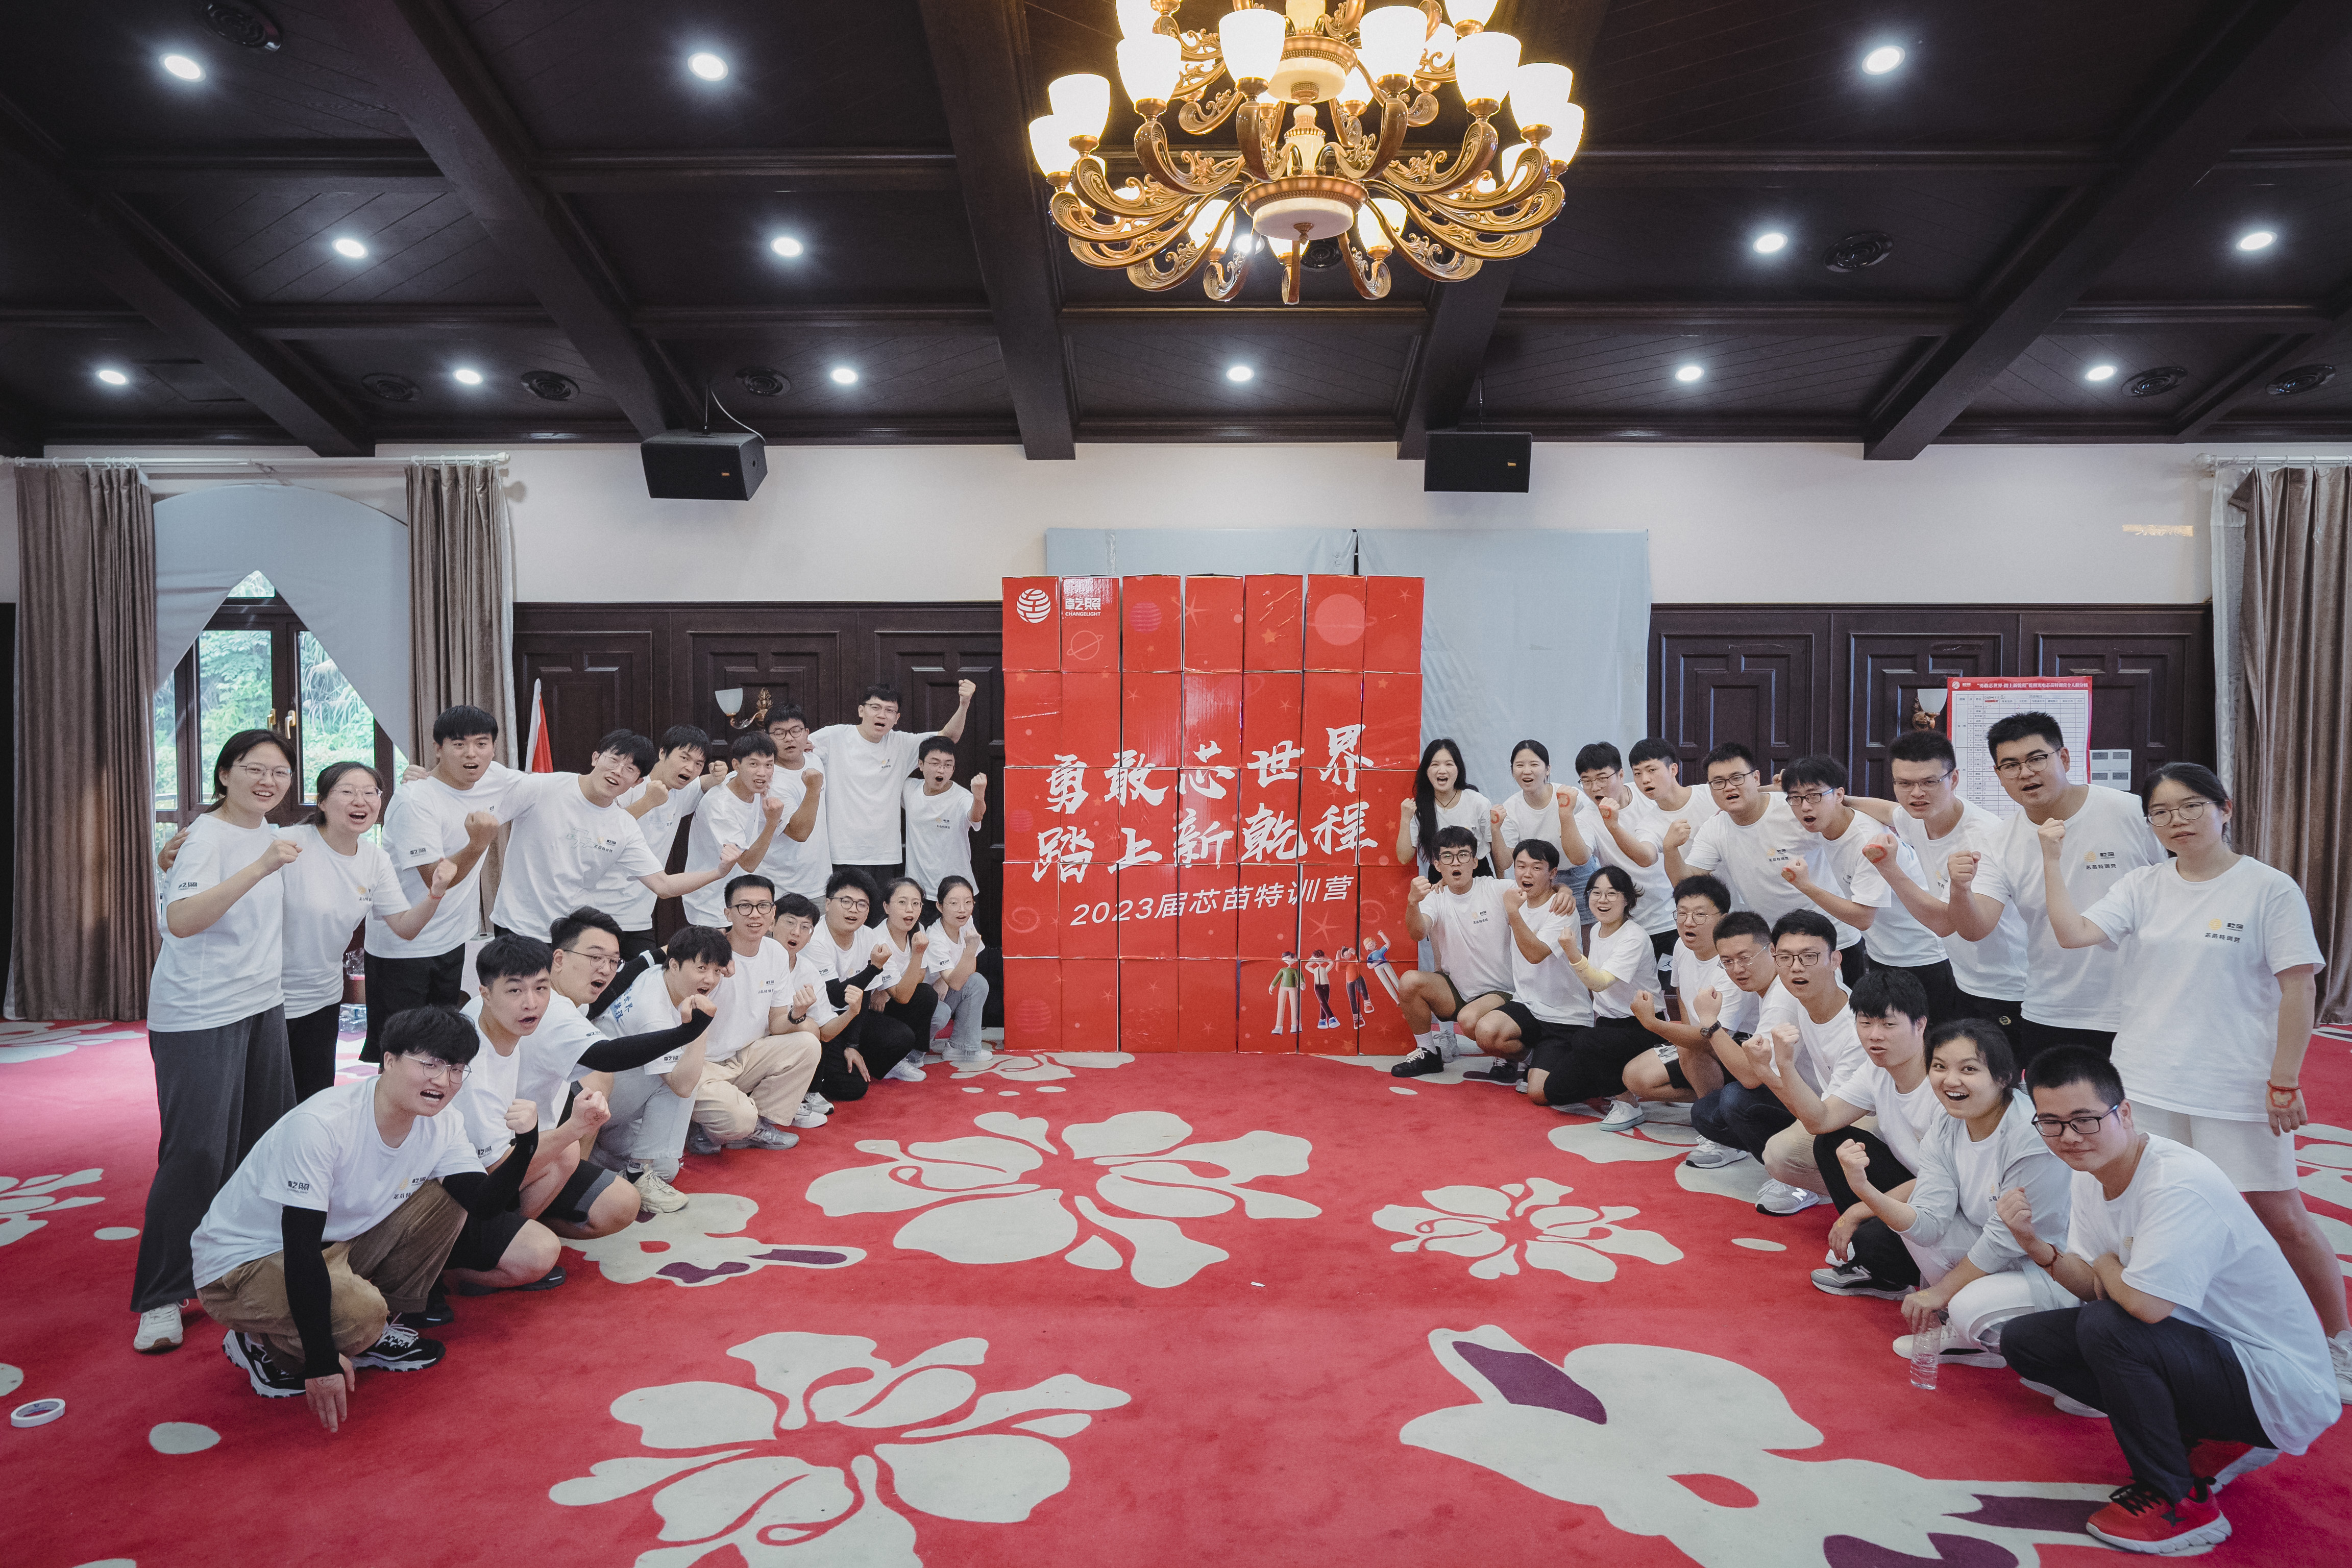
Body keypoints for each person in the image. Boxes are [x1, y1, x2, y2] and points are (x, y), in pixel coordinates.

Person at [2033, 761, 2348, 1382]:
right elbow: (2072, 933)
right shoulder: (2143, 885)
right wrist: (2051, 858)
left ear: (2224, 809)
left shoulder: (2268, 889)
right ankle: (2159, 1338)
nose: (2176, 821)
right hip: (2147, 1082)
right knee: (2149, 1211)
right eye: (2161, 812)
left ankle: (2339, 1340)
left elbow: (2299, 988)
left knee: (2279, 1215)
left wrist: (2285, 1078)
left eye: (2191, 806)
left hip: (2233, 1085)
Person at [1997, 1048, 2341, 1554]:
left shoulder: (2177, 1183)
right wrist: (2035, 1246)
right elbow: (2092, 1285)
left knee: (2108, 1327)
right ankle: (2206, 1440)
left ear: (2125, 1113)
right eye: (2051, 1123)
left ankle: (2180, 1501)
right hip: (2207, 1351)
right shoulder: (2092, 1173)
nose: (2069, 1137)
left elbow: (2143, 1307)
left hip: (2278, 1384)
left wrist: (2108, 1267)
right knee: (2026, 1340)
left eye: (2085, 1120)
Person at [190, 1007, 531, 1425]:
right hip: (242, 1264)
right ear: (389, 1060)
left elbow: (483, 1204)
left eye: (457, 1069)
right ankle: (262, 1344)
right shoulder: (322, 1125)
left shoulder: (444, 1124)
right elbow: (299, 1247)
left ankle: (369, 1333)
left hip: (332, 1245)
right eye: (431, 1064)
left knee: (446, 1199)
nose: (444, 1081)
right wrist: (320, 1361)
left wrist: (527, 1145)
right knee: (361, 1316)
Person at [135, 730, 306, 1354]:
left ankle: (238, 1263)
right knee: (198, 1154)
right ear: (225, 774)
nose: (268, 781)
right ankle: (161, 1294)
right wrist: (260, 867)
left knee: (264, 1140)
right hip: (199, 1013)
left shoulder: (270, 833)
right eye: (254, 769)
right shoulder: (207, 837)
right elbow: (180, 921)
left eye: (280, 772)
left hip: (261, 1004)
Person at [1828, 1020, 2075, 1376]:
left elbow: (2006, 1239)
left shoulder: (2030, 1135)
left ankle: (2050, 1342)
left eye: (1969, 1069)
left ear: (2003, 1077)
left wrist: (1941, 1293)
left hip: (2053, 1266)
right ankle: (1968, 1333)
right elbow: (1928, 1223)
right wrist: (1863, 1189)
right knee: (1910, 1219)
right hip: (1996, 1245)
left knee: (1967, 1307)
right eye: (1940, 1067)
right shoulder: (1946, 1125)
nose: (1951, 1080)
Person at [1944, 712, 2164, 1065]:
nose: (2025, 773)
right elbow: (1975, 929)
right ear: (1999, 775)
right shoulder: (1998, 841)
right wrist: (1960, 889)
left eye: (2036, 759)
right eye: (2011, 766)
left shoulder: (2131, 812)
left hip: (2138, 1006)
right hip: (2050, 1010)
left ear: (2063, 758)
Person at [1739, 970, 1941, 1298]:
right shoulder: (1875, 1070)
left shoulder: (1943, 1083)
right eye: (1866, 1023)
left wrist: (1856, 1213)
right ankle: (1883, 1272)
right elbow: (1820, 1120)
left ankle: (1903, 1269)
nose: (1875, 1036)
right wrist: (1781, 1066)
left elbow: (1945, 1178)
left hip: (1951, 1198)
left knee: (1868, 1239)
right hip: (1916, 1182)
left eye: (1889, 1025)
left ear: (1920, 1025)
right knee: (1832, 1142)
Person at [442, 935, 621, 1297]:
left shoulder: (512, 1023)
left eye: (541, 988)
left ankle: (514, 1232)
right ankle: (443, 1272)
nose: (531, 1002)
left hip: (501, 1164)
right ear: (485, 993)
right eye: (515, 991)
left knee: (617, 1204)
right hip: (453, 1191)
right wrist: (575, 1128)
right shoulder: (472, 1066)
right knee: (539, 1254)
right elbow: (492, 1172)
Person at [490, 730, 756, 942]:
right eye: (614, 760)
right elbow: (488, 797)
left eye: (630, 769)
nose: (618, 771)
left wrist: (719, 872)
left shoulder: (629, 822)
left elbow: (663, 885)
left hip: (589, 926)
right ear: (596, 758)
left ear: (637, 779)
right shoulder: (545, 787)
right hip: (529, 923)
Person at [361, 705, 513, 1063]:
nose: (472, 754)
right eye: (459, 744)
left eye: (482, 744)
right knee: (401, 1056)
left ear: (494, 749)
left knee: (441, 1048)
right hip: (402, 948)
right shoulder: (415, 799)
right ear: (438, 748)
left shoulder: (496, 781)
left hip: (451, 940)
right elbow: (436, 879)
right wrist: (477, 844)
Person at [1866, 731, 2029, 1046]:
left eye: (1929, 782)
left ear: (1954, 779)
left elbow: (1945, 923)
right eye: (1904, 783)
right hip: (1962, 977)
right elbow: (1887, 811)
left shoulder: (1984, 837)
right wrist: (1839, 798)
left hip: (2008, 986)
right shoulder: (1918, 816)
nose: (1916, 793)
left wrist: (1888, 868)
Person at [1664, 742, 1865, 985]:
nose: (1729, 787)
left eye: (1737, 778)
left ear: (1756, 778)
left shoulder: (1794, 807)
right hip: (1778, 945)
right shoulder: (1715, 828)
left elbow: (1842, 823)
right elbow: (1688, 886)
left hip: (1833, 938)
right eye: (1718, 782)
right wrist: (1670, 850)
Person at [1775, 754, 1957, 1020]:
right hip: (1881, 952)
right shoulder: (1826, 824)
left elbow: (1863, 918)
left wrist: (1805, 886)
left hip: (1923, 955)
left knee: (1926, 1038)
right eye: (1795, 798)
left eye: (1814, 796)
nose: (1805, 806)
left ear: (1839, 795)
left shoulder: (1867, 840)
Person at [583, 926, 729, 1213]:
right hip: (596, 1095)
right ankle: (636, 1173)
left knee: (666, 1168)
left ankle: (600, 1158)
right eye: (701, 968)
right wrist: (701, 1027)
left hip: (615, 1094)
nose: (710, 980)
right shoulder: (653, 1013)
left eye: (717, 971)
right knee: (682, 1076)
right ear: (674, 965)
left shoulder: (655, 974)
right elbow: (683, 1087)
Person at [679, 874, 825, 1156]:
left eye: (763, 906)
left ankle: (756, 1125)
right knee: (738, 1119)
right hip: (701, 1064)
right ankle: (706, 1120)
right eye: (745, 906)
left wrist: (798, 1015)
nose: (755, 914)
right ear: (728, 913)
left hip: (744, 1058)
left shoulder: (775, 953)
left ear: (773, 912)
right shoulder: (708, 952)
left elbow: (777, 1024)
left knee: (808, 1043)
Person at [1743, 910, 1868, 1217]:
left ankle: (1879, 1205)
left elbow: (1823, 1121)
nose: (1796, 967)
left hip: (1873, 1119)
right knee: (1745, 1112)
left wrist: (1770, 1069)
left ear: (1835, 960)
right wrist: (1765, 1068)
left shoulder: (1857, 1029)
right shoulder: (1802, 1001)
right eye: (1785, 958)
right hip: (1831, 1108)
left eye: (1810, 956)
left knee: (1783, 1153)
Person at [1525, 866, 1660, 1121]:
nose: (1602, 900)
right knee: (1552, 1091)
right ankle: (1620, 1079)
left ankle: (1627, 1102)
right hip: (1607, 1028)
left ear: (1628, 900)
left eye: (1612, 894)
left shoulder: (1634, 937)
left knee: (1585, 1039)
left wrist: (1572, 952)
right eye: (1596, 893)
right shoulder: (1597, 930)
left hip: (1642, 1026)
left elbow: (1600, 983)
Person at [811, 679, 976, 885]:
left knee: (883, 907)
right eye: (875, 708)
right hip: (842, 852)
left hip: (886, 855)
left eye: (890, 710)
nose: (882, 715)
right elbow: (796, 749)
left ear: (897, 718)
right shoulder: (834, 737)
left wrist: (964, 703)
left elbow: (948, 738)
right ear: (861, 711)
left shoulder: (901, 744)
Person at [1622, 875, 1753, 1120]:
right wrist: (1685, 1036)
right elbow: (1681, 995)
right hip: (1704, 1038)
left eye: (1700, 915)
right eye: (1681, 913)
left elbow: (1712, 1039)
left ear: (1723, 919)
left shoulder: (1732, 965)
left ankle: (1717, 1122)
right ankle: (1716, 1097)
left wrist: (1652, 1023)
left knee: (1691, 1047)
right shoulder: (1682, 947)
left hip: (1742, 1044)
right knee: (1635, 1076)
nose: (1688, 922)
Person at [1464, 840, 1590, 1090]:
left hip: (1564, 1016)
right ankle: (1532, 1060)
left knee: (1538, 1092)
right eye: (1521, 866)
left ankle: (1562, 1061)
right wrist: (1439, 886)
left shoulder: (1561, 909)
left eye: (1536, 868)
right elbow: (1466, 887)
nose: (1527, 874)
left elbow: (1535, 954)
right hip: (1528, 1004)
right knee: (1486, 1031)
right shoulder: (1514, 894)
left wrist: (1514, 913)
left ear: (1552, 873)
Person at [1391, 826, 1515, 1077]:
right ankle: (1428, 1053)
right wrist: (1412, 902)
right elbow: (1418, 932)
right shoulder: (1435, 898)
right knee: (1410, 981)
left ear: (1475, 861)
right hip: (1457, 991)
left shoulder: (1497, 888)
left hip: (1502, 992)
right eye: (1447, 856)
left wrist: (1564, 891)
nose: (1456, 862)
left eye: (1463, 855)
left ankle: (1509, 1057)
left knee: (1472, 1021)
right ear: (1438, 865)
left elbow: (1539, 892)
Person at [802, 870, 919, 1101]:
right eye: (846, 902)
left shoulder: (868, 937)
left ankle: (854, 1058)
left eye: (862, 904)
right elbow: (835, 996)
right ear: (828, 904)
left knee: (902, 1037)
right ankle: (815, 1079)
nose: (853, 910)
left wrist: (853, 1044)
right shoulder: (815, 940)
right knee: (852, 1089)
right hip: (820, 1021)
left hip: (850, 1016)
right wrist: (874, 968)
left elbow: (864, 996)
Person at [605, 726, 718, 962]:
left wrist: (719, 775)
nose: (690, 768)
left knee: (645, 979)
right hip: (600, 912)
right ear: (663, 753)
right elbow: (605, 831)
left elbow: (706, 783)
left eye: (699, 763)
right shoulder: (631, 785)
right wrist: (648, 802)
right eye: (684, 758)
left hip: (638, 917)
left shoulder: (682, 791)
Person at [1683, 911, 1782, 1171]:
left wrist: (1709, 1021)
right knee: (1707, 1111)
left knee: (1734, 1100)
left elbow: (1751, 1077)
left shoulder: (1782, 996)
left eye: (1745, 958)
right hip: (1799, 1087)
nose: (1737, 969)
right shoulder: (1771, 988)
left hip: (1824, 1098)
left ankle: (1792, 1172)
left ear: (1772, 950)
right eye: (1727, 961)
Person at [1575, 742, 1677, 981]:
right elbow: (1579, 857)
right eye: (1586, 781)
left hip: (1668, 916)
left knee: (1672, 990)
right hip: (1627, 922)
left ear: (1621, 775)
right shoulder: (1586, 818)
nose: (1595, 787)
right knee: (1629, 992)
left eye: (1602, 778)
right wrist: (1565, 816)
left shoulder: (1649, 797)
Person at [678, 732, 792, 927]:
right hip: (711, 907)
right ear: (737, 765)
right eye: (754, 764)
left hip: (740, 903)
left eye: (769, 765)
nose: (763, 773)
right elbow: (748, 863)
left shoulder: (749, 783)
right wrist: (772, 823)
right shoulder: (720, 806)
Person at [1493, 740, 1599, 919]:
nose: (1527, 771)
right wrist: (1495, 830)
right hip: (1540, 881)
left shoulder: (1570, 796)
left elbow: (1590, 844)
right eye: (1520, 765)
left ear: (1547, 769)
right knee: (1548, 934)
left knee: (1587, 931)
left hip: (1580, 876)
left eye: (1534, 765)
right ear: (1512, 771)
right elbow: (1505, 863)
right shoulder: (1510, 808)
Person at [865, 877, 943, 1080]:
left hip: (892, 999)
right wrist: (917, 955)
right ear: (886, 907)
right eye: (902, 902)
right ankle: (893, 1060)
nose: (910, 909)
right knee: (905, 1023)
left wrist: (888, 990)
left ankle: (913, 1054)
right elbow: (902, 996)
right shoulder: (878, 939)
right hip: (870, 1010)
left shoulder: (918, 929)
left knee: (929, 997)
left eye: (916, 903)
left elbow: (921, 975)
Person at [903, 736, 986, 917]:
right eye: (935, 763)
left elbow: (976, 815)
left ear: (954, 769)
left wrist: (979, 797)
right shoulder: (909, 789)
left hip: (957, 894)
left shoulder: (962, 797)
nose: (941, 770)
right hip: (919, 893)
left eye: (948, 765)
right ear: (921, 764)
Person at [758, 704, 831, 901]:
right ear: (767, 737)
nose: (789, 738)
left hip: (820, 882)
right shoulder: (767, 780)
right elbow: (800, 833)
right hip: (781, 888)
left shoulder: (814, 760)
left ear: (807, 733)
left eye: (796, 731)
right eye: (779, 733)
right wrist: (813, 789)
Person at [1396, 738, 1496, 878]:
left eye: (1449, 764)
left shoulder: (1478, 802)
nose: (1442, 771)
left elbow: (1495, 849)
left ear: (1458, 769)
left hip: (1477, 874)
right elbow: (1404, 858)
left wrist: (1500, 881)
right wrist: (1406, 819)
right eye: (1435, 765)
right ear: (1426, 771)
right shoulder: (1419, 807)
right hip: (1439, 876)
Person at [922, 876, 991, 1065]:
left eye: (968, 902)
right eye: (954, 903)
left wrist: (944, 979)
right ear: (940, 906)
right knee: (941, 1013)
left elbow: (971, 969)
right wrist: (948, 978)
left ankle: (962, 1047)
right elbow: (956, 982)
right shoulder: (935, 937)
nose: (962, 909)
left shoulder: (965, 922)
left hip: (943, 993)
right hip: (924, 1003)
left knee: (977, 982)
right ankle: (916, 1046)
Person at [1628, 737, 1718, 839]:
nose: (1645, 780)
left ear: (1673, 770)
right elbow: (1646, 848)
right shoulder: (1648, 825)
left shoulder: (1712, 793)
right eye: (1638, 773)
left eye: (1652, 770)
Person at [1336, 944, 1372, 1027]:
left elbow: (1362, 960)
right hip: (1349, 983)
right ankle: (1357, 1018)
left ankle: (1367, 1003)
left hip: (1358, 978)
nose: (1347, 956)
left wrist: (1355, 953)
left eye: (1348, 954)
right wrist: (1337, 959)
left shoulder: (1354, 961)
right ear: (1343, 957)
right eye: (1345, 956)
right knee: (1353, 1000)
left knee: (1363, 990)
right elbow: (1338, 969)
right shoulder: (1346, 965)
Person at [1269, 951, 1305, 1036]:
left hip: (1293, 988)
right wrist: (1272, 986)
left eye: (1289, 958)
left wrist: (1302, 984)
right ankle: (1278, 1027)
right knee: (1280, 1006)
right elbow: (1277, 978)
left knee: (1295, 1007)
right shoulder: (1283, 970)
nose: (1287, 960)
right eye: (1286, 958)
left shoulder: (1295, 970)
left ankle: (1296, 1026)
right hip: (1282, 988)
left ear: (1293, 959)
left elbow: (1300, 978)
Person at [1304, 950, 1340, 1030]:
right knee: (1322, 1002)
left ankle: (1322, 1020)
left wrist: (1325, 957)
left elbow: (1332, 963)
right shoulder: (1315, 970)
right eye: (1317, 959)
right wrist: (1313, 959)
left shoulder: (1325, 969)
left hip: (1326, 986)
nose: (1319, 961)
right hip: (1317, 986)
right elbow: (1307, 966)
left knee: (1325, 1002)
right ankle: (1332, 1018)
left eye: (1321, 959)